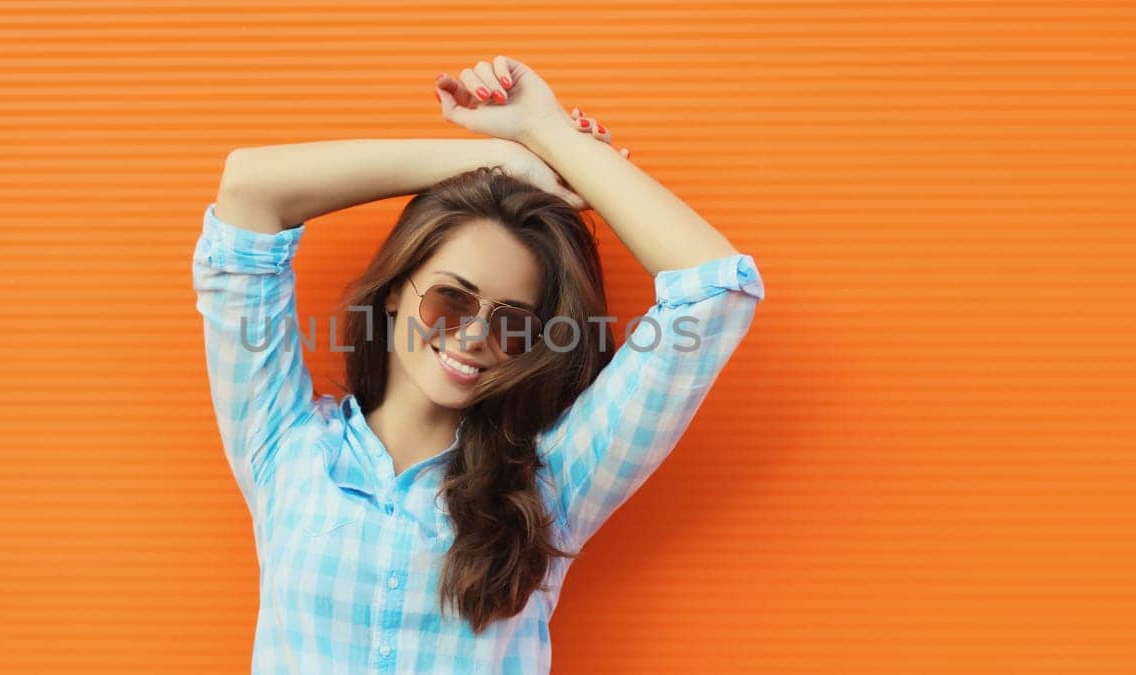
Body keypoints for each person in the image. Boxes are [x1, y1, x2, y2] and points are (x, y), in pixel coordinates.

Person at [191, 55, 766, 674]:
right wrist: (504, 163)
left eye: (512, 322)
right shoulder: (283, 447)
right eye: (451, 298)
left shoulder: (553, 488)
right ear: (395, 289)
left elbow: (716, 291)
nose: (473, 335)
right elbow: (248, 188)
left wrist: (551, 133)